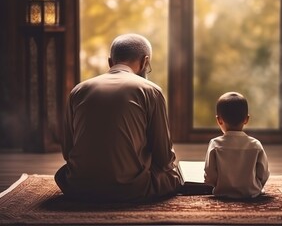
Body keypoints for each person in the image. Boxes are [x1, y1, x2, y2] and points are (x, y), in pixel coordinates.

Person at [55, 33, 181, 202]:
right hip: (130, 190)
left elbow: (68, 151)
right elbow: (164, 158)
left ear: (110, 62)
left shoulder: (78, 90)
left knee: (62, 174)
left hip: (79, 187)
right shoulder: (150, 90)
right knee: (174, 175)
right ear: (145, 62)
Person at [204, 92, 270, 198]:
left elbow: (210, 176)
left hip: (222, 193)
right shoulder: (255, 145)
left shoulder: (215, 144)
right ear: (246, 119)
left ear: (219, 120)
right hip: (251, 193)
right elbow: (263, 174)